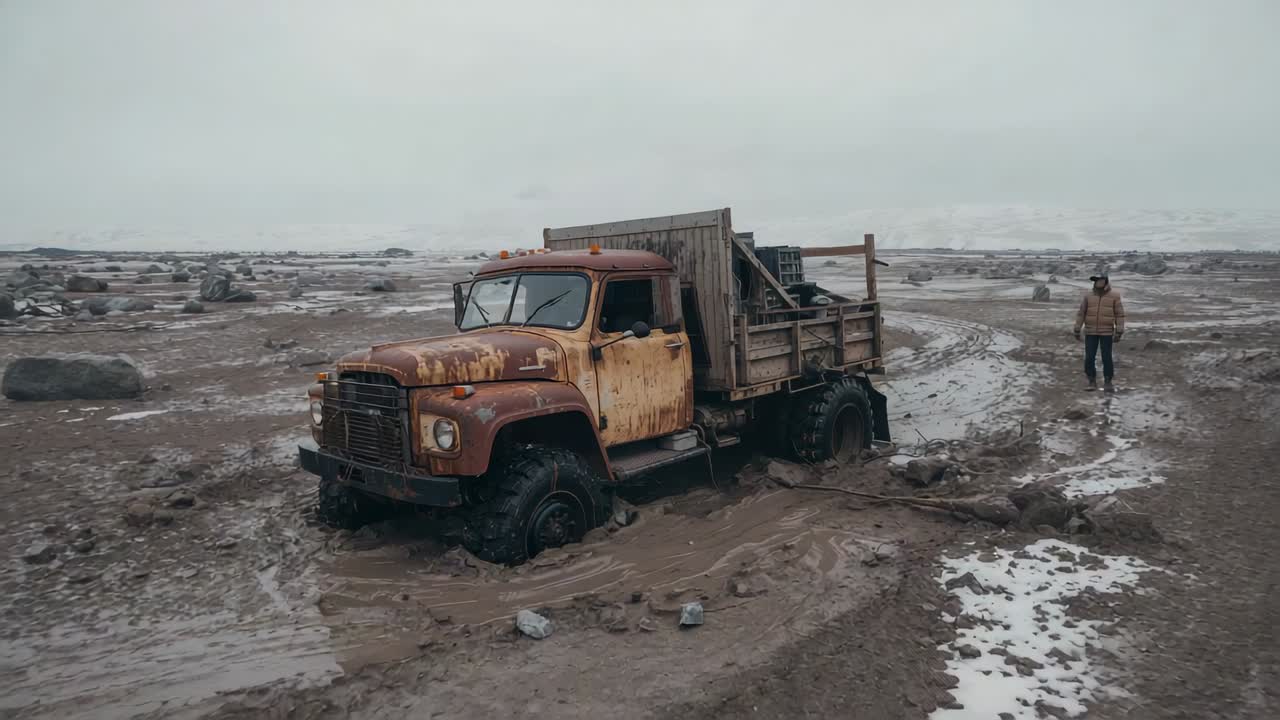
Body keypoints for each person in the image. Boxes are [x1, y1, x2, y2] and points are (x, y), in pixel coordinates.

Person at [1073, 274, 1125, 392]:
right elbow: (1081, 313)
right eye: (1095, 280)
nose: (1097, 282)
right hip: (1090, 331)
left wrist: (1119, 332)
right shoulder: (1088, 296)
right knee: (1089, 357)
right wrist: (1077, 328)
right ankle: (1091, 381)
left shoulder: (1114, 296)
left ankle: (1108, 381)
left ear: (1105, 281)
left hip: (1106, 332)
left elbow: (1119, 315)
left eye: (1099, 280)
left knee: (1106, 357)